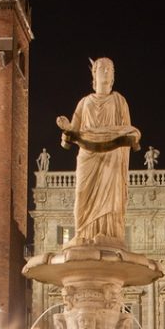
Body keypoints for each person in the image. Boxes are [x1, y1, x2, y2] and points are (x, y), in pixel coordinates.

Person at [56, 57, 141, 245]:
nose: (105, 71)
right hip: (88, 155)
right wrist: (66, 128)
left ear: (113, 76)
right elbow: (71, 134)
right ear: (94, 74)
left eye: (109, 69)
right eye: (101, 68)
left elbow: (126, 130)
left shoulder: (119, 101)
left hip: (112, 157)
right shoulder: (84, 102)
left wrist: (131, 135)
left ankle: (109, 235)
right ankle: (82, 234)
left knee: (112, 199)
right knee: (81, 195)